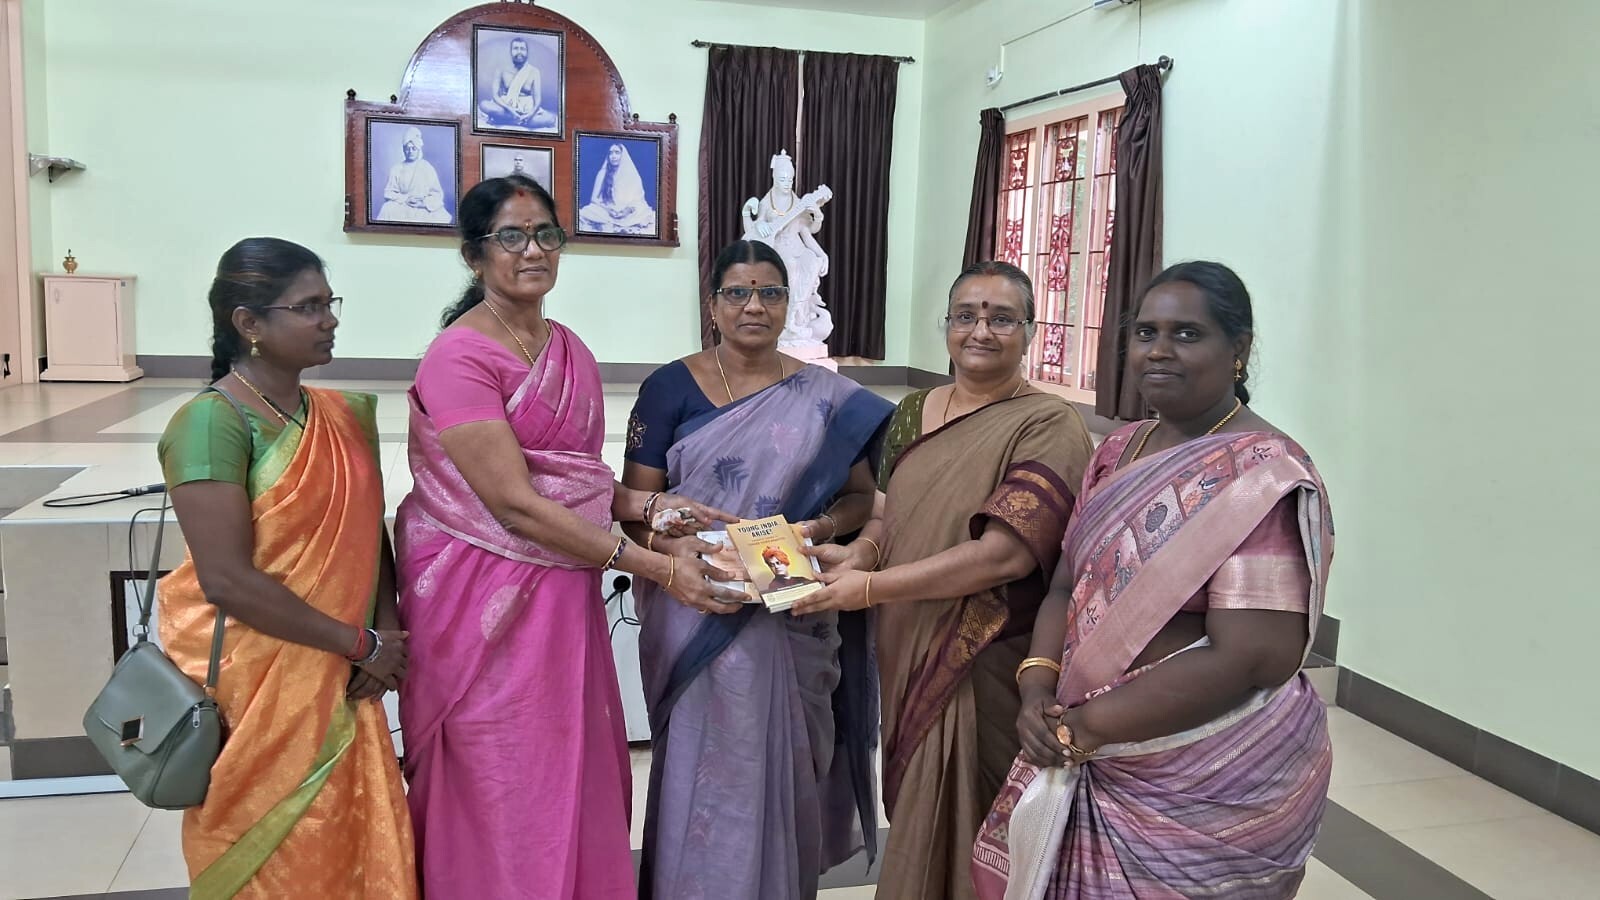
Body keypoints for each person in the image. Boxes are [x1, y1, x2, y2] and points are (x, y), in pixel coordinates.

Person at [395, 175, 741, 898]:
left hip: (560, 597)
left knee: (567, 754)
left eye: (545, 234)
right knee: (497, 766)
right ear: (473, 255)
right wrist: (654, 565)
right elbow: (514, 505)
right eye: (511, 237)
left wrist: (656, 508)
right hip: (479, 600)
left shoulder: (568, 349)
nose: (533, 251)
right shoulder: (458, 356)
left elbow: (577, 483)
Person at [971, 261, 1335, 899]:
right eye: (1145, 333)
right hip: (1080, 734)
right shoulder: (1119, 450)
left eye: (1187, 334)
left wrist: (1083, 729)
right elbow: (1066, 586)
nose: (1159, 351)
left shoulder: (1261, 474)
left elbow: (1252, 656)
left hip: (1205, 773)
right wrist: (1036, 689)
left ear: (1239, 349)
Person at [793, 261, 1095, 900]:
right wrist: (862, 554)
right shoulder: (911, 411)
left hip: (984, 649)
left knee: (977, 809)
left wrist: (870, 589)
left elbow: (1004, 557)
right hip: (905, 635)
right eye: (966, 316)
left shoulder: (1049, 423)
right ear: (948, 325)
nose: (981, 331)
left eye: (1002, 318)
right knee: (917, 792)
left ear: (1030, 330)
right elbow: (887, 512)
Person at [622, 239, 894, 899]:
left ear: (787, 303)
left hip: (789, 597)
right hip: (697, 601)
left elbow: (862, 499)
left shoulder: (828, 396)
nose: (754, 306)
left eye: (770, 292)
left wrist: (816, 530)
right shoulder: (668, 388)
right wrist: (668, 554)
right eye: (737, 292)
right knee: (704, 756)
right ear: (712, 304)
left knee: (786, 758)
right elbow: (633, 506)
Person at [157, 238, 416, 898]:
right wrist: (358, 643)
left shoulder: (341, 416)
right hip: (261, 693)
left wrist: (386, 638)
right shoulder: (211, 424)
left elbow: (369, 533)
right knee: (274, 859)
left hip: (347, 678)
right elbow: (226, 580)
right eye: (307, 307)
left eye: (329, 303)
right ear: (248, 323)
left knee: (352, 841)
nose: (329, 320)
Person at [740, 150, 832, 344]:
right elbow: (753, 228)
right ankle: (784, 321)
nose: (787, 183)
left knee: (812, 261)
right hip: (776, 248)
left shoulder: (798, 203)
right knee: (789, 265)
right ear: (774, 178)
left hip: (796, 248)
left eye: (790, 179)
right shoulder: (768, 201)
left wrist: (822, 253)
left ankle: (796, 317)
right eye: (782, 179)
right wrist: (760, 224)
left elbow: (807, 233)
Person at [477, 35, 558, 131]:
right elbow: (495, 95)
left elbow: (537, 99)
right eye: (515, 48)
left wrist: (530, 114)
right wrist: (510, 109)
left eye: (522, 49)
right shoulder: (501, 70)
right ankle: (520, 121)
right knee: (483, 105)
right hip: (505, 107)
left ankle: (503, 120)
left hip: (526, 108)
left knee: (551, 119)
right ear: (511, 51)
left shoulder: (534, 71)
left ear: (527, 52)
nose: (519, 52)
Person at [378, 126, 452, 224]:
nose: (410, 152)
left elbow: (437, 194)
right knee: (387, 208)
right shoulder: (396, 169)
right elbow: (388, 192)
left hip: (422, 206)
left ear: (418, 149)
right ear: (403, 150)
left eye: (413, 148)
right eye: (407, 149)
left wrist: (423, 203)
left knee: (439, 216)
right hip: (402, 205)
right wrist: (405, 199)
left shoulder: (427, 167)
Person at [578, 142, 657, 235]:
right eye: (610, 153)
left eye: (617, 152)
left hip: (627, 211)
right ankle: (611, 225)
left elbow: (638, 199)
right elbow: (593, 199)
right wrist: (608, 210)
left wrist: (627, 210)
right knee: (586, 211)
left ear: (623, 155)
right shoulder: (602, 173)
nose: (613, 156)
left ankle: (614, 225)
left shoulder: (632, 174)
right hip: (607, 210)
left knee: (645, 213)